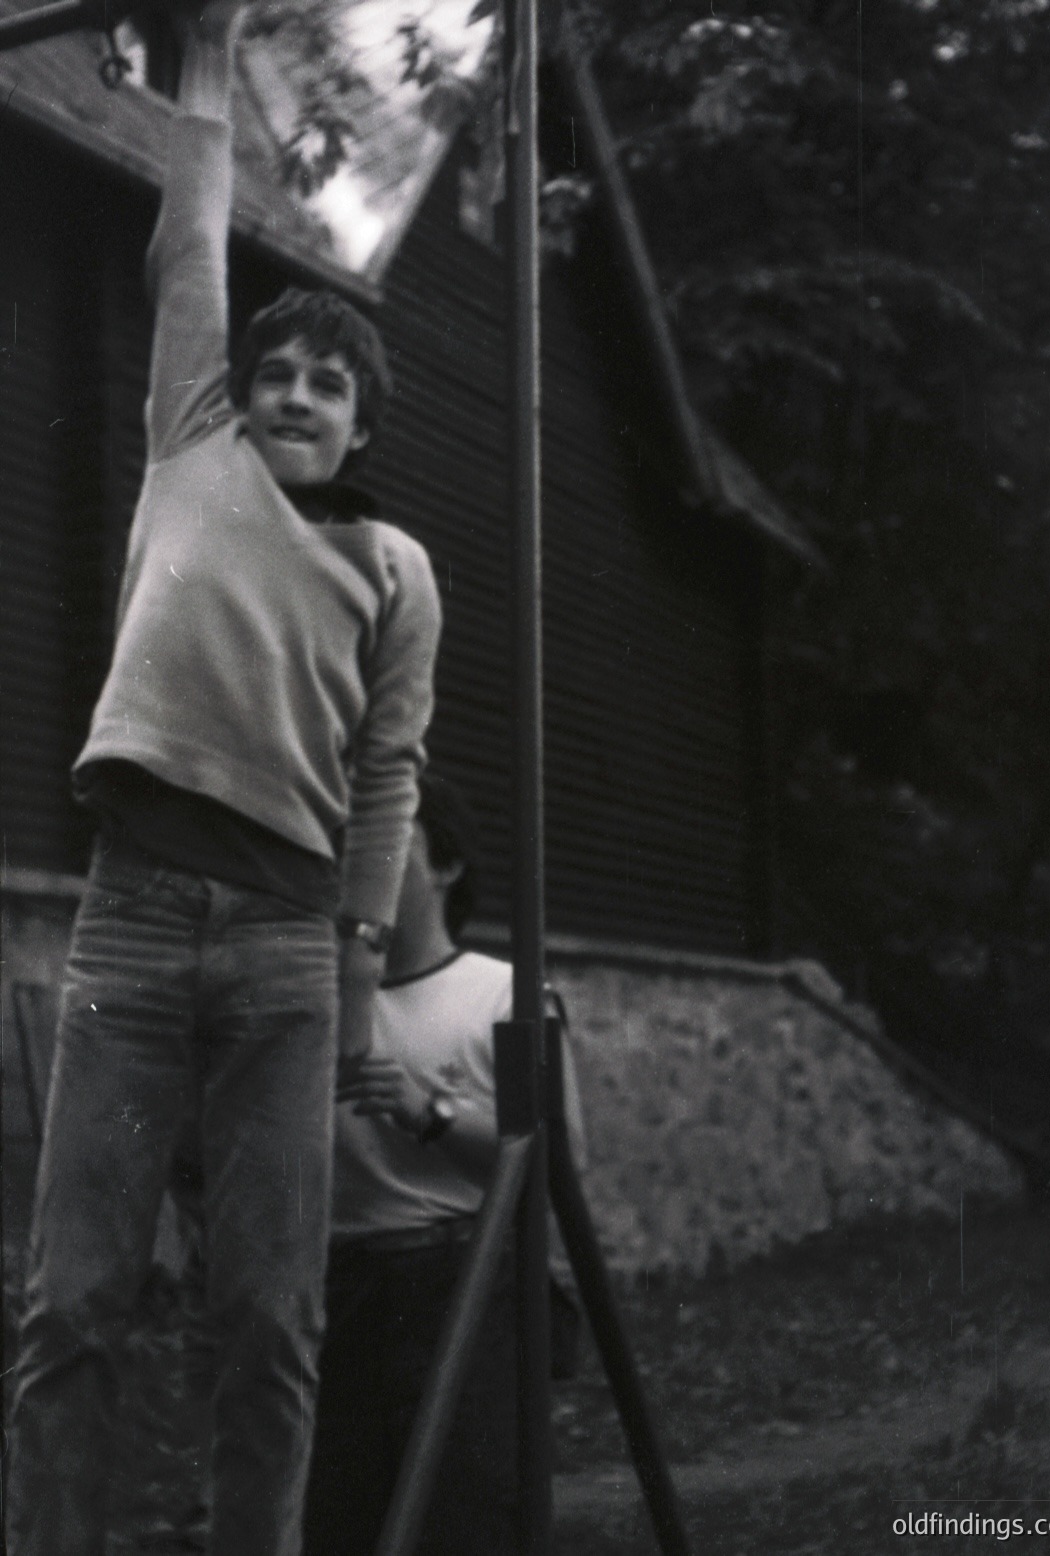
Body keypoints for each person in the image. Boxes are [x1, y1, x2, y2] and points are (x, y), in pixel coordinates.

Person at [6, 5, 441, 1555]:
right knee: (74, 1306)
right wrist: (212, 56)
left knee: (271, 1324)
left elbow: (385, 778)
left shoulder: (394, 568)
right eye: (281, 368)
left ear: (362, 421)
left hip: (282, 947)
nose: (298, 391)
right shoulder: (189, 444)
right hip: (128, 931)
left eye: (331, 380)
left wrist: (354, 980)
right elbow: (188, 248)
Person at [302, 772, 587, 1556]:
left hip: (462, 1284)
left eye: (388, 844)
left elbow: (559, 1164)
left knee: (465, 1516)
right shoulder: (315, 1005)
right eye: (345, 851)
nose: (360, 868)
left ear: (447, 866)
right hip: (339, 1289)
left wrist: (429, 1113)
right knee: (341, 1517)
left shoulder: (505, 993)